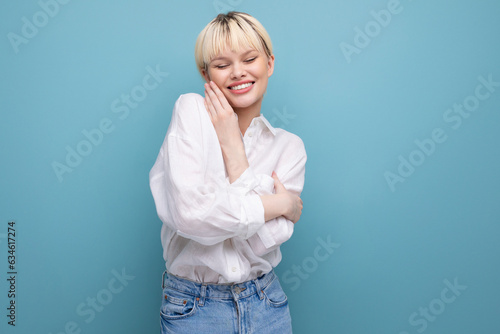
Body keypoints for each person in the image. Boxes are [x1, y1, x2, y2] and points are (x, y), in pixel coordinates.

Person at [149, 11, 307, 333]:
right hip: (194, 307)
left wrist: (235, 153)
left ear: (269, 64)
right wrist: (281, 205)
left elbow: (265, 240)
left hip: (268, 304)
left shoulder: (289, 147)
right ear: (205, 73)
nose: (238, 73)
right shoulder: (190, 112)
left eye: (250, 59)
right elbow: (190, 216)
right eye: (222, 65)